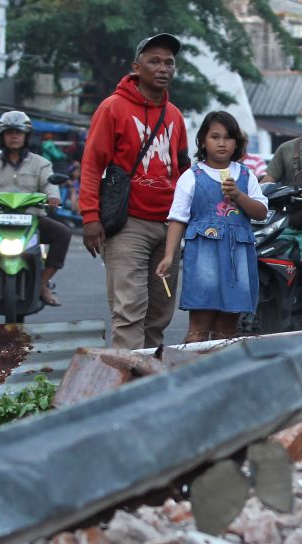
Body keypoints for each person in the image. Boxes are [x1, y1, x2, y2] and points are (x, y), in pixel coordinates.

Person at [79, 33, 190, 350]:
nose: (163, 67)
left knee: (159, 315)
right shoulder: (112, 108)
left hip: (168, 227)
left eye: (169, 62)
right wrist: (89, 217)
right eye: (154, 61)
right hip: (128, 224)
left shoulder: (175, 115)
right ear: (136, 67)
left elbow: (182, 170)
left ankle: (148, 383)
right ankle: (126, 388)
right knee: (129, 313)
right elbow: (91, 165)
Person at [156, 111, 267, 342]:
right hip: (203, 257)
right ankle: (194, 373)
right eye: (214, 137)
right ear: (203, 142)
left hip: (238, 258)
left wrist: (238, 195)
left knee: (228, 327)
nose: (221, 143)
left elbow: (261, 212)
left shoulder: (246, 175)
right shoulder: (192, 176)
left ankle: (220, 374)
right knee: (199, 324)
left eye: (228, 137)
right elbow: (178, 219)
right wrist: (169, 256)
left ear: (236, 142)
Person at [0, 110, 72, 308]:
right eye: (9, 132)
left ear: (27, 136)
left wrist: (53, 196)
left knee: (63, 233)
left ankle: (43, 283)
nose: (14, 136)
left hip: (32, 217)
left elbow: (49, 183)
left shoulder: (41, 163)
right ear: (2, 136)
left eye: (18, 132)